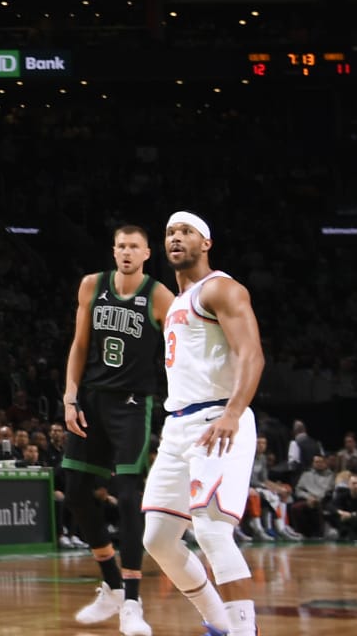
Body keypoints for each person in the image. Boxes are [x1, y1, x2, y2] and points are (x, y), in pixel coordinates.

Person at [139, 213, 265, 636]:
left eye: (186, 232)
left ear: (206, 243)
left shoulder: (222, 288)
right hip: (178, 425)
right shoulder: (176, 301)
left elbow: (252, 354)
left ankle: (244, 633)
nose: (176, 238)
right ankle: (220, 623)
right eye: (170, 233)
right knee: (156, 539)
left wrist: (232, 412)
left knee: (212, 531)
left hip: (218, 418)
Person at [64, 224, 173, 636]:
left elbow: (179, 347)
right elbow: (79, 343)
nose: (127, 252)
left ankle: (131, 601)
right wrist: (70, 395)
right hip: (91, 398)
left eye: (135, 247)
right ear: (113, 251)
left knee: (128, 498)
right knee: (75, 490)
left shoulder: (160, 296)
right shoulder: (92, 285)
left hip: (132, 404)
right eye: (121, 246)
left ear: (147, 253)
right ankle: (110, 583)